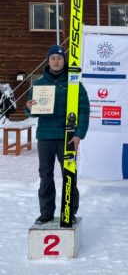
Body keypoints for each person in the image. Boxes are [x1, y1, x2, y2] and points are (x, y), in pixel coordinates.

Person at [25, 45, 90, 224]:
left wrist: (78, 135)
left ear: (64, 61)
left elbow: (84, 109)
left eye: (59, 58)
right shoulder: (39, 84)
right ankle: (46, 212)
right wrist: (29, 108)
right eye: (52, 58)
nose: (56, 61)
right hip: (45, 136)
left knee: (69, 174)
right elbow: (32, 112)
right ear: (48, 61)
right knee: (45, 175)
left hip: (67, 137)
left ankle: (69, 211)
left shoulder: (73, 83)